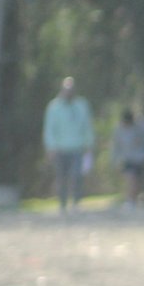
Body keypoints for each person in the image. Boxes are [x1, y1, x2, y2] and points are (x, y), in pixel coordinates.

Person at [43, 76, 94, 212]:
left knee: (76, 175)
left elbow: (87, 126)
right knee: (61, 177)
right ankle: (62, 202)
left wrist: (88, 144)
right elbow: (49, 129)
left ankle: (76, 201)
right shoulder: (54, 107)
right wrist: (50, 147)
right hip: (60, 148)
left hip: (77, 148)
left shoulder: (82, 105)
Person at [110, 109, 144, 209]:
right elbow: (116, 146)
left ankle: (137, 199)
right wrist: (114, 160)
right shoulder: (119, 130)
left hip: (140, 158)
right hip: (127, 159)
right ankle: (129, 200)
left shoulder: (140, 127)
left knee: (137, 181)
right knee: (130, 179)